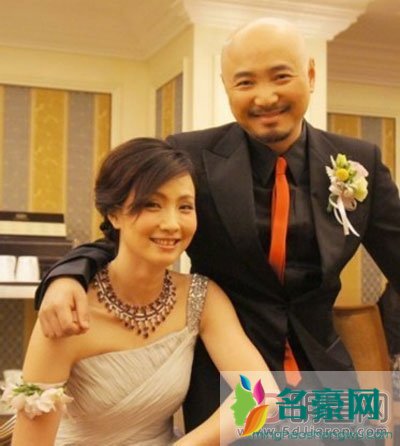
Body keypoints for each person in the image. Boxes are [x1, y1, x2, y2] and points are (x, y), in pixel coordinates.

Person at [35, 17, 400, 434]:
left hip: (326, 378)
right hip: (228, 379)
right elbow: (127, 233)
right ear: (226, 87)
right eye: (245, 82)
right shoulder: (193, 154)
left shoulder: (358, 161)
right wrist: (67, 275)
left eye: (281, 76)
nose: (265, 97)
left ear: (311, 75)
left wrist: (387, 341)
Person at [5, 138, 279, 446]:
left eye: (185, 207)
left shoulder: (201, 299)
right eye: (152, 205)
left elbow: (262, 396)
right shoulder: (68, 312)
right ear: (114, 214)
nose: (172, 224)